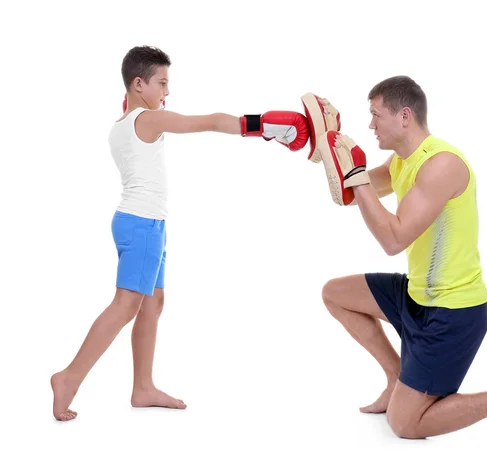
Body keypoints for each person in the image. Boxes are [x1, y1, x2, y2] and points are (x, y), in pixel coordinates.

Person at [51, 45, 309, 421]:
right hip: (142, 225)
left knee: (152, 303)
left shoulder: (123, 122)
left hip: (146, 223)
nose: (167, 93)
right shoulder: (147, 119)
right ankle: (69, 378)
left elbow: (137, 117)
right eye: (162, 83)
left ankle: (143, 387)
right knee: (125, 305)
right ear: (139, 84)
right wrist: (261, 127)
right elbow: (206, 122)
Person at [320, 76, 487, 442]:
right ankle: (396, 378)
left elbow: (393, 239)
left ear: (405, 116)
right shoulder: (401, 162)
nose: (371, 125)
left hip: (453, 313)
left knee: (404, 425)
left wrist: (354, 175)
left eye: (376, 115)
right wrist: (327, 150)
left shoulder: (441, 164)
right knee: (335, 293)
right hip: (417, 296)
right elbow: (349, 194)